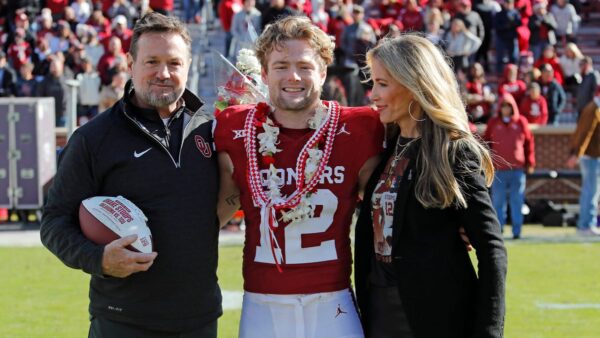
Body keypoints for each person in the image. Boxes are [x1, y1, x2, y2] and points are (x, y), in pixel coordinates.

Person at [40, 13, 222, 337]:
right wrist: (98, 259)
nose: (163, 73)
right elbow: (53, 221)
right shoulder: (94, 138)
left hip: (199, 319)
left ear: (189, 65)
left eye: (174, 63)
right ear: (130, 63)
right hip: (124, 322)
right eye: (151, 61)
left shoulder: (211, 128)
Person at [214, 16, 383, 338]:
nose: (293, 76)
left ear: (323, 72)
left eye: (305, 66)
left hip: (333, 302)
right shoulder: (235, 128)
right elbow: (215, 212)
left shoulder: (360, 127)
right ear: (264, 74)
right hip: (263, 304)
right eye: (281, 66)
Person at [354, 34, 507, 337]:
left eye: (383, 84)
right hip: (379, 310)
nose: (373, 94)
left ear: (414, 86)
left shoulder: (453, 151)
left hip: (434, 316)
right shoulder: (387, 146)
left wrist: (489, 330)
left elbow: (492, 250)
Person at [485, 93, 536, 239]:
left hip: (517, 169)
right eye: (503, 106)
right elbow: (486, 144)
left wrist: (530, 162)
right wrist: (488, 163)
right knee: (498, 202)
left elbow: (529, 144)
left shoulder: (521, 122)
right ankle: (498, 231)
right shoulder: (493, 123)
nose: (506, 109)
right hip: (499, 170)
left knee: (517, 201)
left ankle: (517, 231)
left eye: (508, 106)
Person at [566, 96, 600, 236]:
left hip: (590, 156)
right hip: (590, 156)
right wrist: (576, 154)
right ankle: (586, 224)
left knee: (590, 191)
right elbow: (586, 133)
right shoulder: (594, 109)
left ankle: (585, 224)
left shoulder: (591, 107)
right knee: (591, 192)